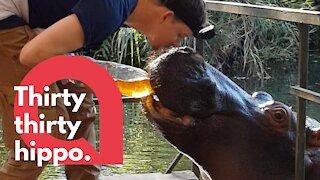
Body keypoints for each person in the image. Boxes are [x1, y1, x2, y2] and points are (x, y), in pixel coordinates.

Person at [0, 0, 215, 179]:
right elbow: (29, 55)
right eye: (179, 35)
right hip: (6, 21)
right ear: (166, 16)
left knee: (79, 111)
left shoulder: (118, 9)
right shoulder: (108, 11)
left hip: (33, 27)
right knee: (40, 134)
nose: (175, 44)